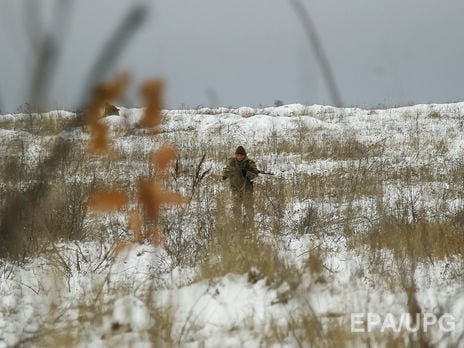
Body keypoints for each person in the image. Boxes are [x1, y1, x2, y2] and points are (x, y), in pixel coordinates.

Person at [222, 146, 259, 229]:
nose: (239, 157)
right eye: (237, 155)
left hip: (247, 190)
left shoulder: (249, 162)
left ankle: (251, 225)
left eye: (241, 155)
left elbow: (255, 174)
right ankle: (238, 226)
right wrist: (224, 175)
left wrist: (246, 173)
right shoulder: (231, 162)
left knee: (249, 208)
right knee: (236, 209)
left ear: (244, 155)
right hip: (235, 190)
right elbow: (226, 170)